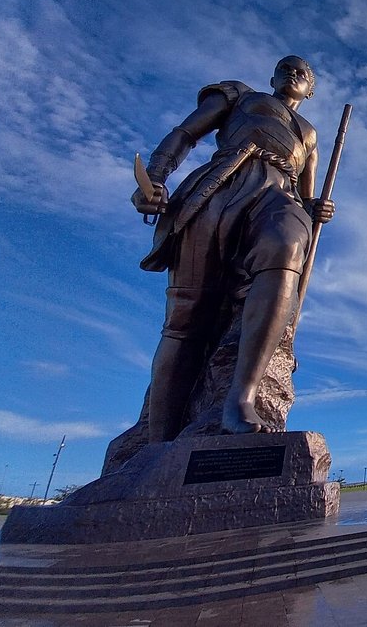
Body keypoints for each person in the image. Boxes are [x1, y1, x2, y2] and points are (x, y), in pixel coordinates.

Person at [132, 56, 335, 440]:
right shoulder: (240, 96)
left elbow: (307, 198)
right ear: (272, 77)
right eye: (286, 68)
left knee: (288, 243)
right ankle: (158, 442)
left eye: (304, 73)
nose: (294, 74)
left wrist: (316, 209)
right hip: (223, 184)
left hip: (279, 193)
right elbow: (185, 134)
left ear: (311, 90)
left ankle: (241, 397)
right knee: (186, 317)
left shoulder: (309, 135)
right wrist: (156, 176)